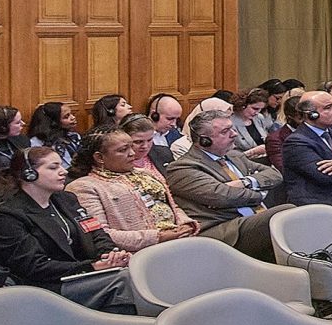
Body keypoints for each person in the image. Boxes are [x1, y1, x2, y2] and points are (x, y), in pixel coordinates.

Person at [0, 144, 134, 311]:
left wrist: (110, 254)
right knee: (124, 281)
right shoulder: (8, 217)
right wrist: (90, 266)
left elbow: (96, 233)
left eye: (61, 165)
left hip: (85, 276)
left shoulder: (67, 200)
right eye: (53, 168)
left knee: (136, 271)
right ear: (29, 174)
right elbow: (33, 266)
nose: (64, 171)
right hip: (47, 287)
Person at [162, 109, 282, 255]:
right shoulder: (182, 168)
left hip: (250, 219)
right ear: (204, 140)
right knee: (284, 213)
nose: (234, 134)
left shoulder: (234, 156)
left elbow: (275, 174)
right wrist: (260, 194)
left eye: (232, 128)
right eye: (225, 131)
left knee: (292, 219)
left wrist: (246, 182)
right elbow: (223, 196)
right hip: (222, 229)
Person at [68, 128, 200, 251]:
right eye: (123, 150)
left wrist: (185, 224)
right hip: (136, 255)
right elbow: (101, 234)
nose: (132, 153)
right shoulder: (84, 187)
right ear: (99, 157)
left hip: (177, 240)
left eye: (131, 147)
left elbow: (172, 206)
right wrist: (158, 237)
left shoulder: (145, 173)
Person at [140, 94, 186, 169]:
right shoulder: (139, 136)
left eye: (177, 119)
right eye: (170, 119)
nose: (174, 124)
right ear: (154, 115)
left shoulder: (175, 134)